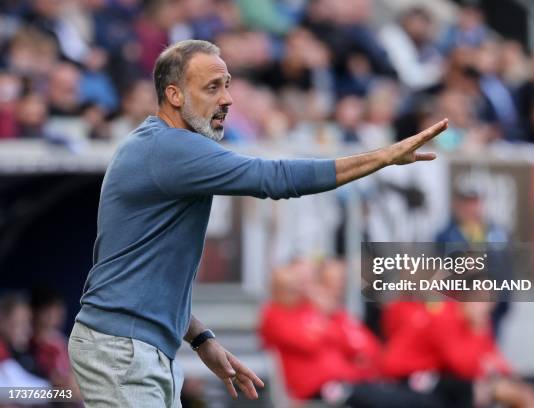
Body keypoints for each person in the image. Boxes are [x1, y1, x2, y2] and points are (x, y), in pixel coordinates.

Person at [67, 39, 448, 407]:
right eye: (213, 87)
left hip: (135, 345)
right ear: (174, 95)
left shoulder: (160, 147)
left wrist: (201, 339)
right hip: (123, 347)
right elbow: (275, 179)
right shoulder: (172, 148)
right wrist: (381, 158)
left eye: (228, 86)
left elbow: (145, 278)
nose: (227, 99)